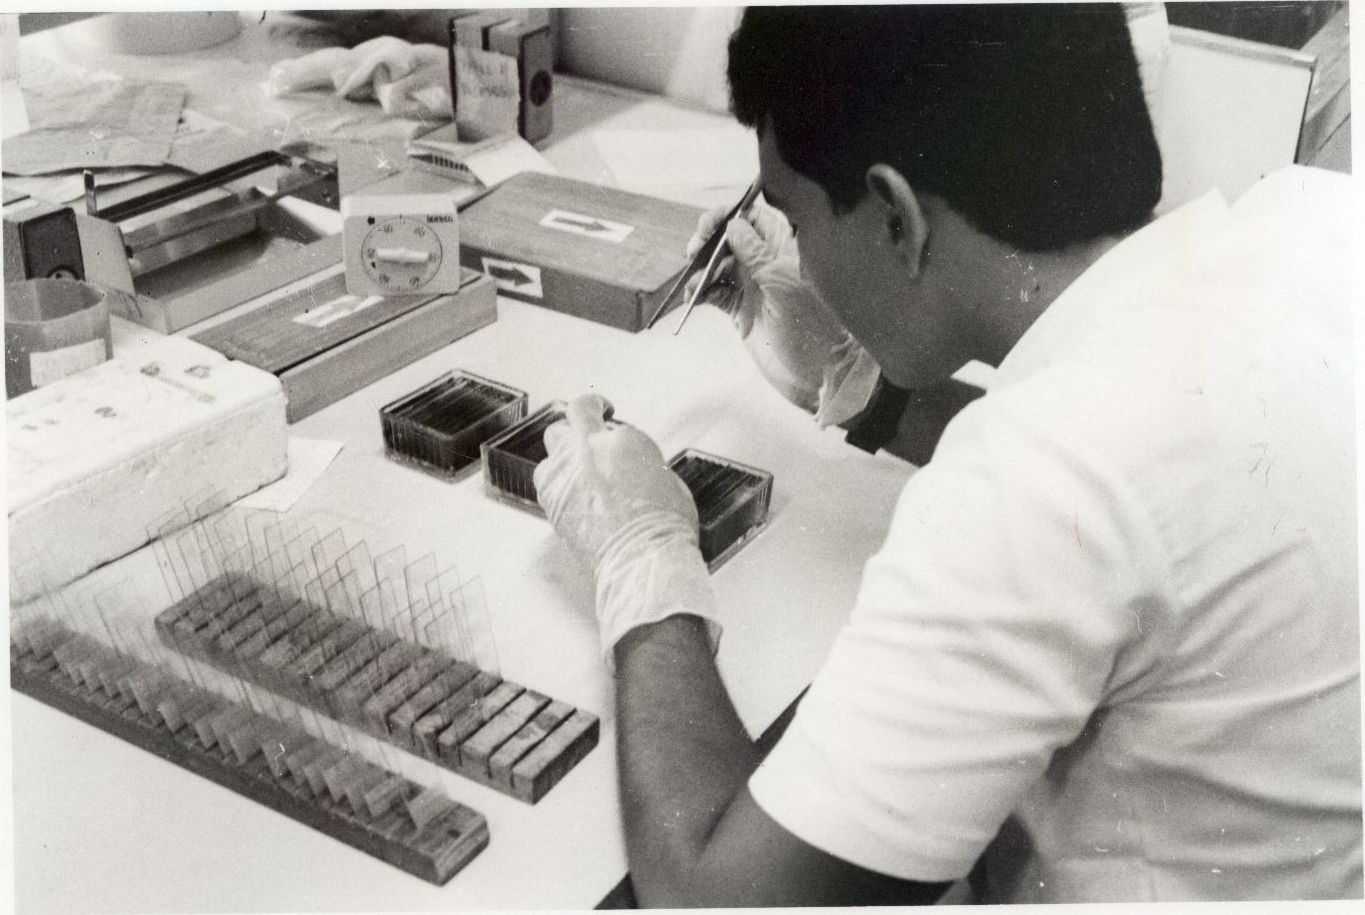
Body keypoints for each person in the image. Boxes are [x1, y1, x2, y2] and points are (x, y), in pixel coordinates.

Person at [533, 4, 1359, 906]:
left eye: (795, 221)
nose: (800, 259)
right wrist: (868, 394)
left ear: (894, 215)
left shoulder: (1031, 477)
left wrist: (642, 561)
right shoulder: (1306, 220)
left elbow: (715, 900)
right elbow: (1131, 479)